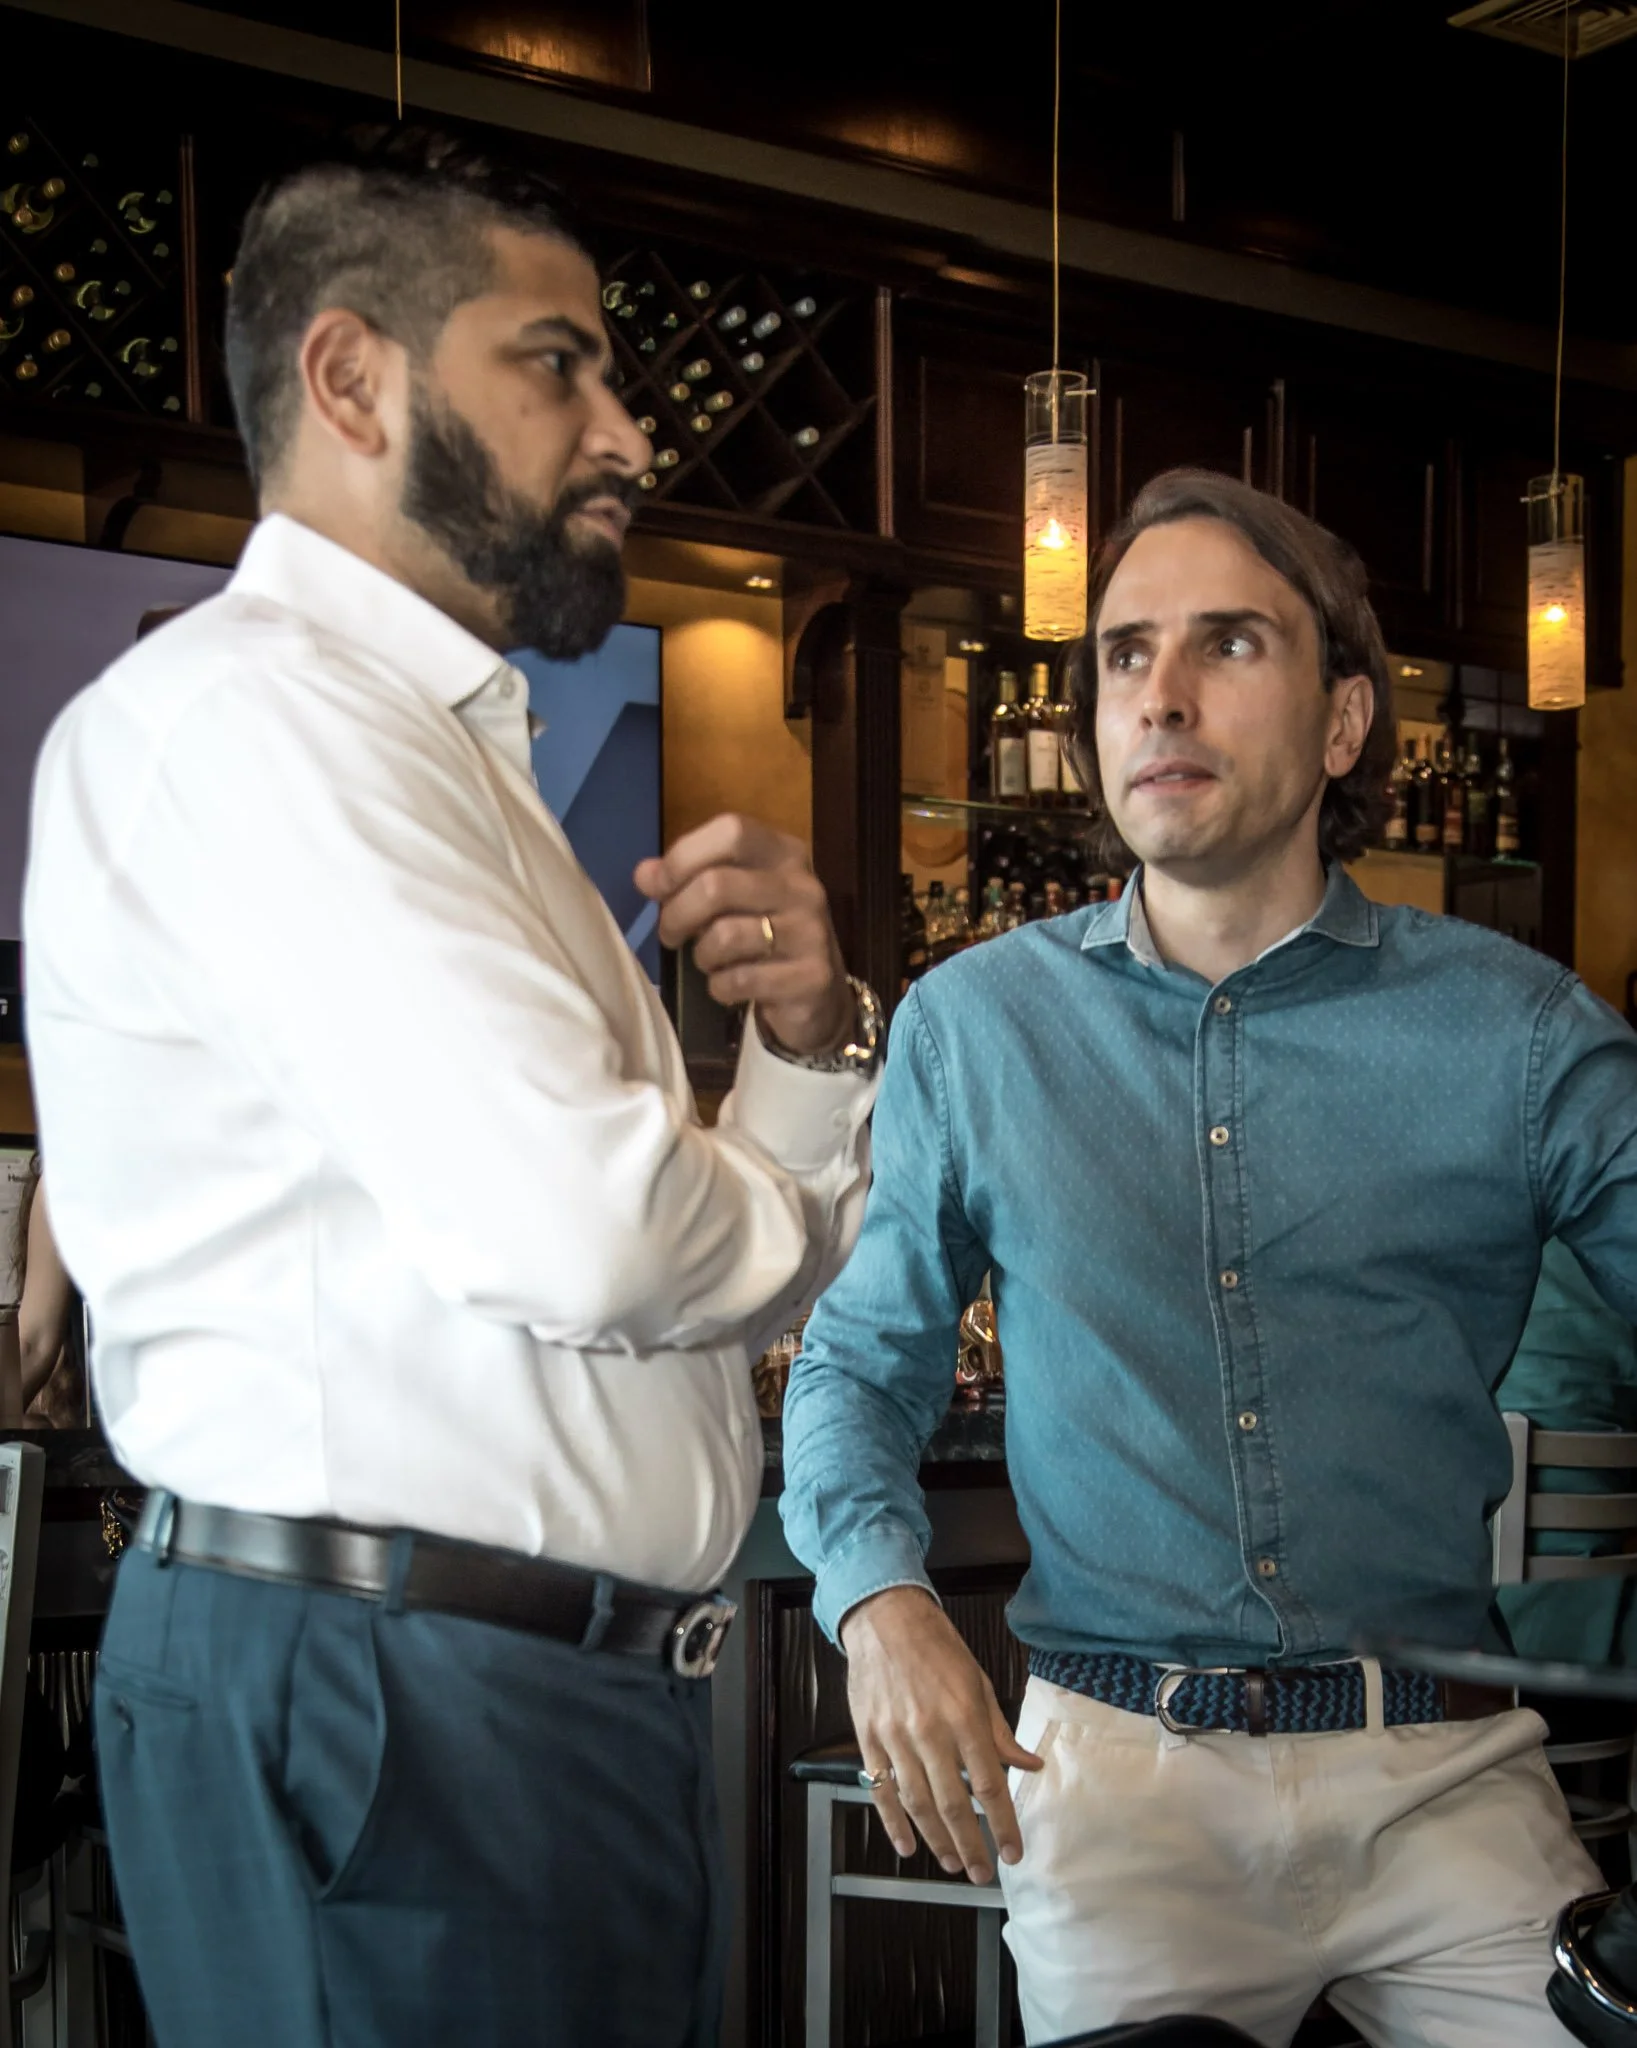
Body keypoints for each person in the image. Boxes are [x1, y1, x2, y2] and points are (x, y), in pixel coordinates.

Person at [23, 129, 881, 2048]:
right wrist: (761, 1181)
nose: (632, 432)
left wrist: (804, 1061)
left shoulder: (446, 754)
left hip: (521, 1698)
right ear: (352, 380)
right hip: (392, 1698)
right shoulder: (269, 720)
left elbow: (669, 1252)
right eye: (556, 363)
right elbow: (599, 1234)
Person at [780, 467, 1637, 2046]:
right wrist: (881, 1604)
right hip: (1122, 1780)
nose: (1158, 695)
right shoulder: (978, 1026)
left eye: (1229, 645)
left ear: (1344, 724)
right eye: (1122, 654)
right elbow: (858, 1361)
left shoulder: (1520, 1033)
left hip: (1441, 1771)